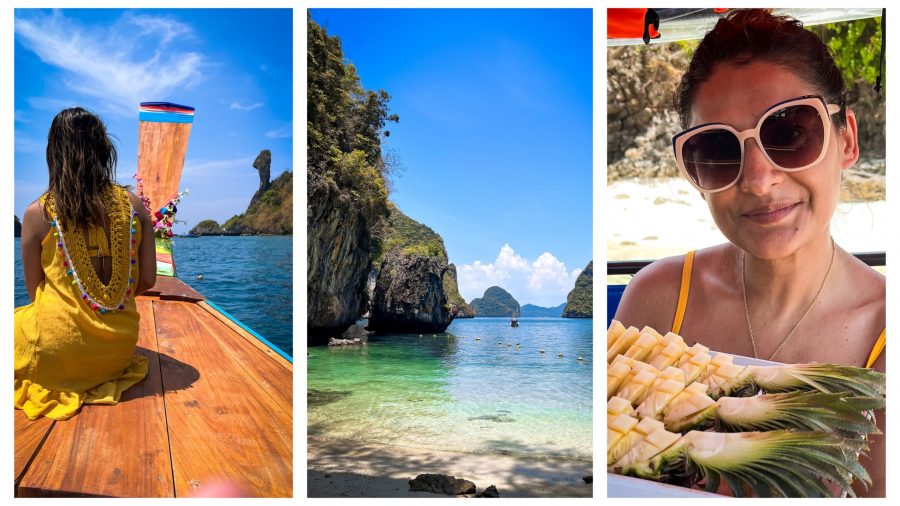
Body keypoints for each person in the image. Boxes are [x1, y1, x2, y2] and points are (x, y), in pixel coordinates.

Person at [614, 9, 885, 497]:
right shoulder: (655, 300)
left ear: (846, 138)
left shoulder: (886, 334)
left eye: (790, 133)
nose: (760, 181)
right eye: (717, 150)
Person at [15, 107, 157, 421]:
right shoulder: (136, 207)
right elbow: (147, 280)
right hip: (116, 351)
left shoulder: (37, 213)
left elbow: (34, 290)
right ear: (105, 150)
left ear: (54, 153)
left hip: (57, 346)